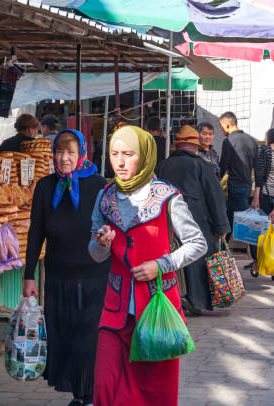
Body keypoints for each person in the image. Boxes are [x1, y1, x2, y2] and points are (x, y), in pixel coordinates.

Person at [88, 125, 206, 406]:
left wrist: (162, 264)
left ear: (144, 156)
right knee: (104, 388)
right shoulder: (105, 197)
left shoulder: (168, 197)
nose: (119, 161)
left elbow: (198, 243)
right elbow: (94, 255)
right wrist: (102, 244)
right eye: (115, 153)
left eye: (128, 154)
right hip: (115, 313)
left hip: (158, 312)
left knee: (155, 395)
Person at [23, 129, 110, 406]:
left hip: (94, 274)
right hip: (59, 275)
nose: (64, 158)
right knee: (67, 336)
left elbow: (114, 227)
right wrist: (29, 276)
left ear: (82, 153)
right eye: (59, 152)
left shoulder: (99, 185)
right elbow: (36, 232)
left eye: (70, 152)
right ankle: (79, 393)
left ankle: (90, 394)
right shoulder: (46, 186)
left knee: (89, 335)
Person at [156, 125, 230, 314]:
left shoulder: (163, 165)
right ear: (195, 147)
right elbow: (215, 196)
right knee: (197, 258)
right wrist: (221, 225)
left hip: (168, 220)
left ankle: (178, 295)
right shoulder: (201, 165)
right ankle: (196, 300)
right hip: (198, 220)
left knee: (175, 257)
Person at [218, 111, 257, 264]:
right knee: (229, 220)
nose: (222, 130)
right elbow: (257, 167)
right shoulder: (251, 140)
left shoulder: (229, 141)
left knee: (245, 225)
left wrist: (216, 184)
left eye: (221, 127)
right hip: (247, 186)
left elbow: (223, 166)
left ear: (227, 124)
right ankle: (220, 253)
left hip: (234, 187)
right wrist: (257, 192)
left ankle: (256, 259)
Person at [254, 123, 274, 281]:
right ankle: (259, 262)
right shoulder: (265, 150)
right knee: (263, 234)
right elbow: (259, 175)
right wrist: (256, 198)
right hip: (265, 196)